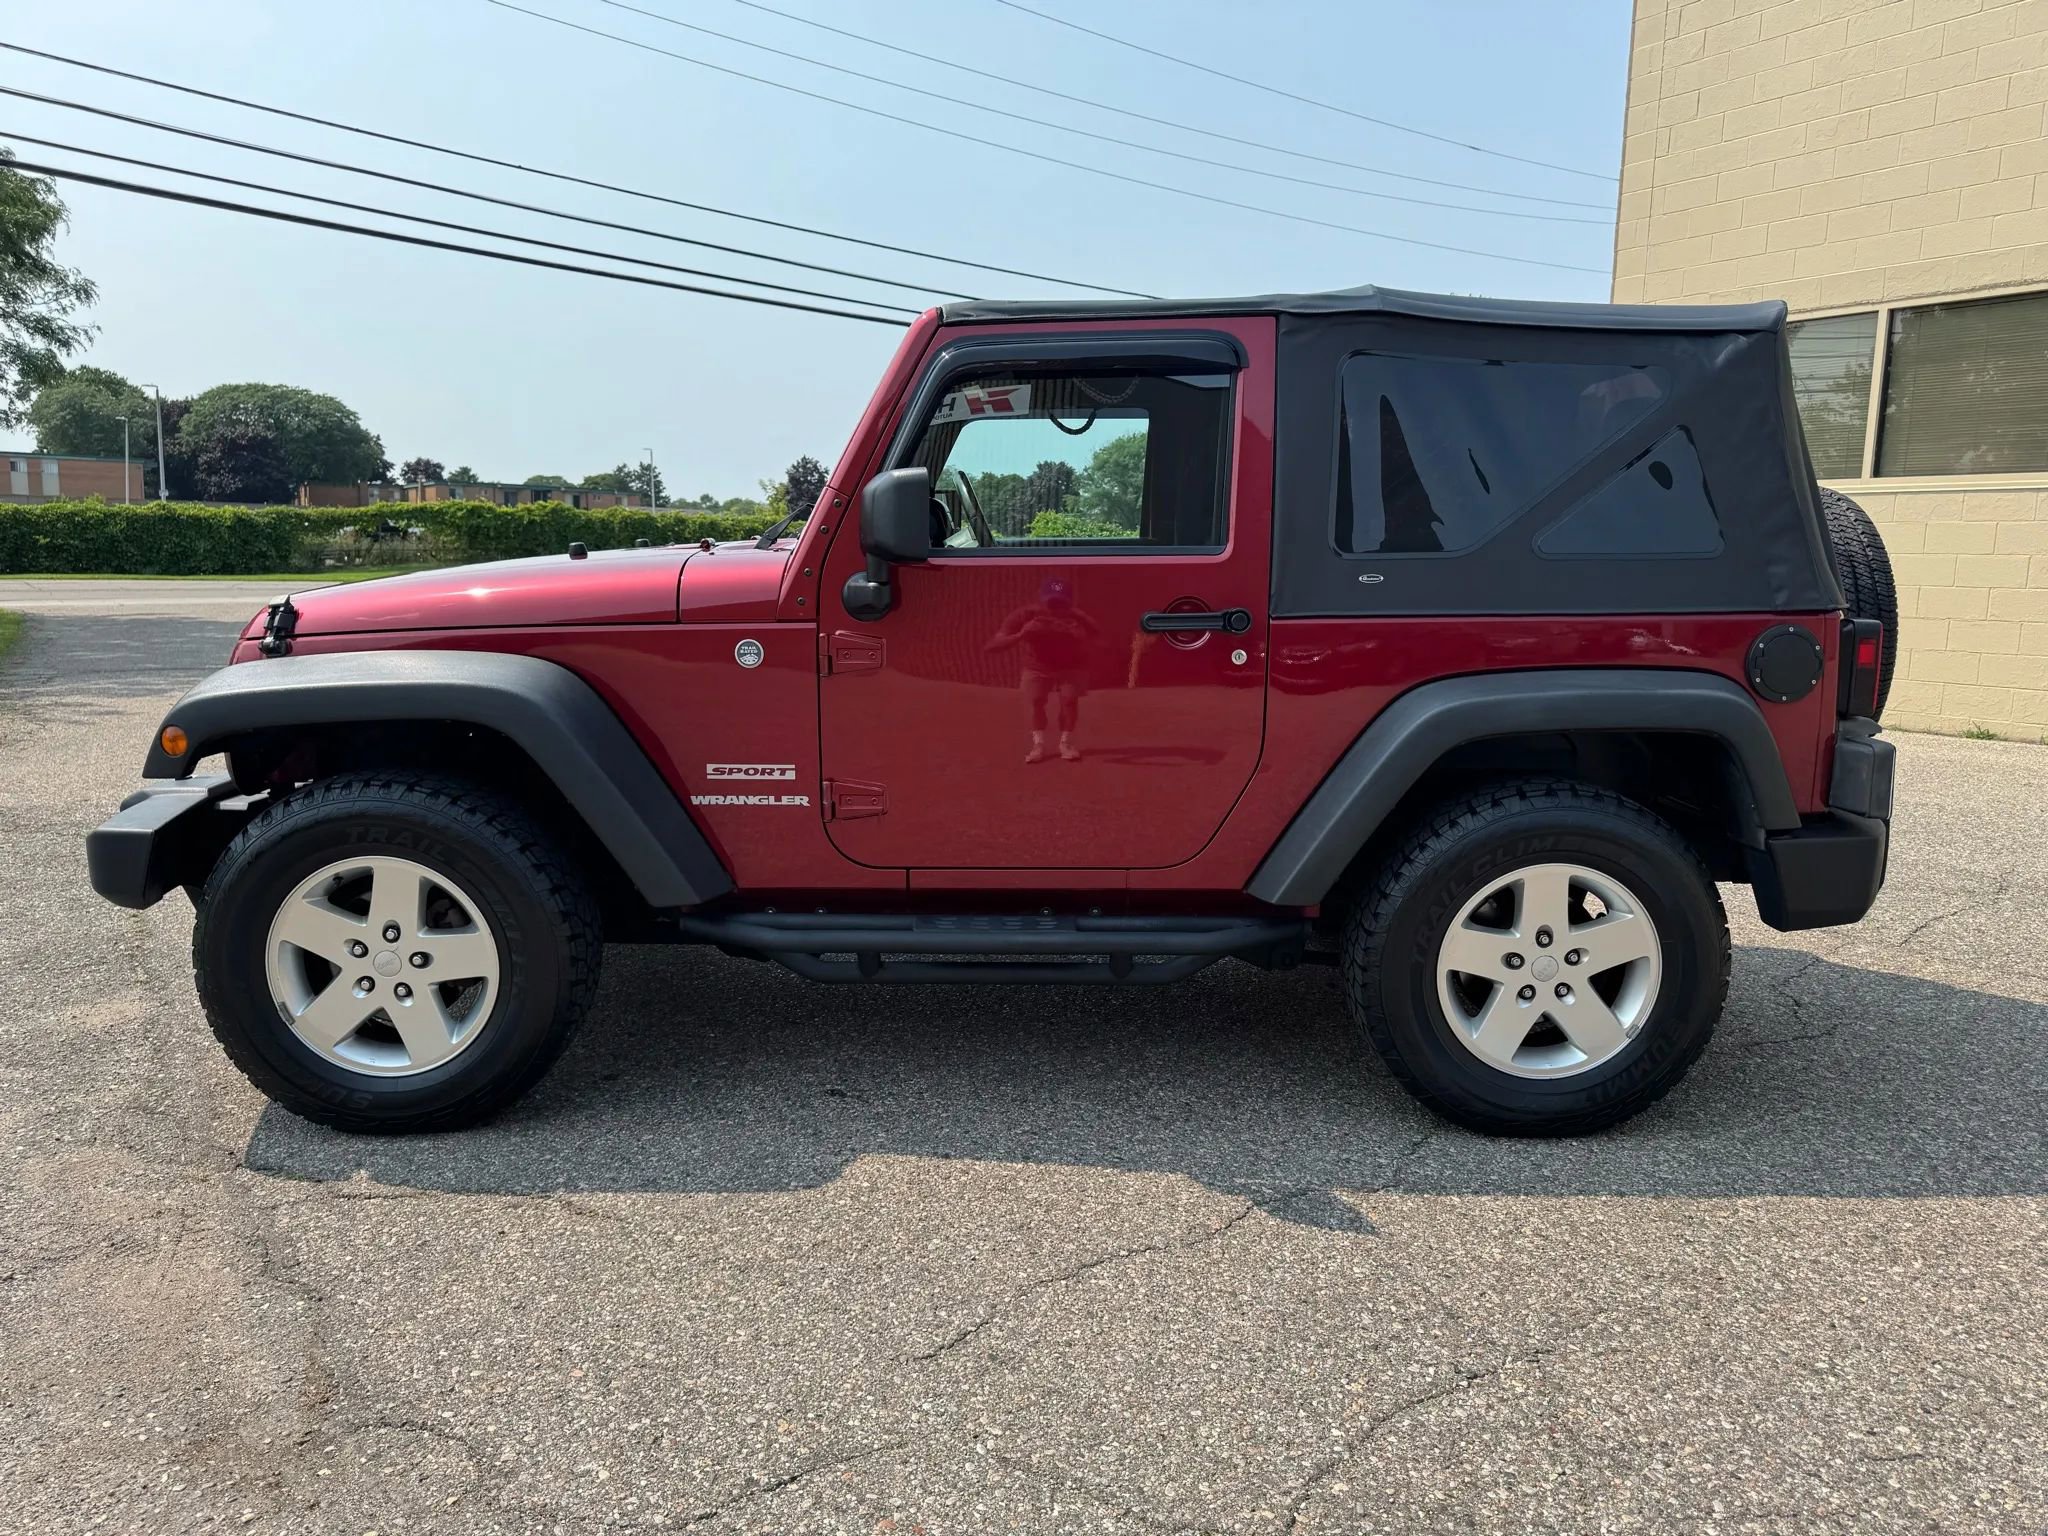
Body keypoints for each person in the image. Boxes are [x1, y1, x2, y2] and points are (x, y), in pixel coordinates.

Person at [985, 577, 1099, 762]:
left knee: (1069, 700)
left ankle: (1065, 743)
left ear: (1070, 604)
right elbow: (991, 646)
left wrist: (1082, 638)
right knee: (1035, 700)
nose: (1056, 610)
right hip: (1037, 666)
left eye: (1062, 604)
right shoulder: (1025, 615)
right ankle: (1038, 744)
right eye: (1051, 604)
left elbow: (1103, 643)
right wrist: (1022, 634)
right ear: (1041, 601)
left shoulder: (1078, 617)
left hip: (1072, 665)